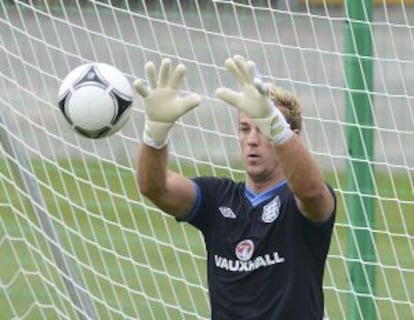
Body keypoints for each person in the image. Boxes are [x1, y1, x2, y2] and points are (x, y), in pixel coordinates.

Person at [135, 55, 336, 319]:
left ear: (291, 137)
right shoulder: (217, 198)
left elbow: (310, 190)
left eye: (262, 129)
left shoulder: (302, 203)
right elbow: (154, 187)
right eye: (244, 129)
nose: (252, 140)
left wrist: (275, 126)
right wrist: (155, 132)